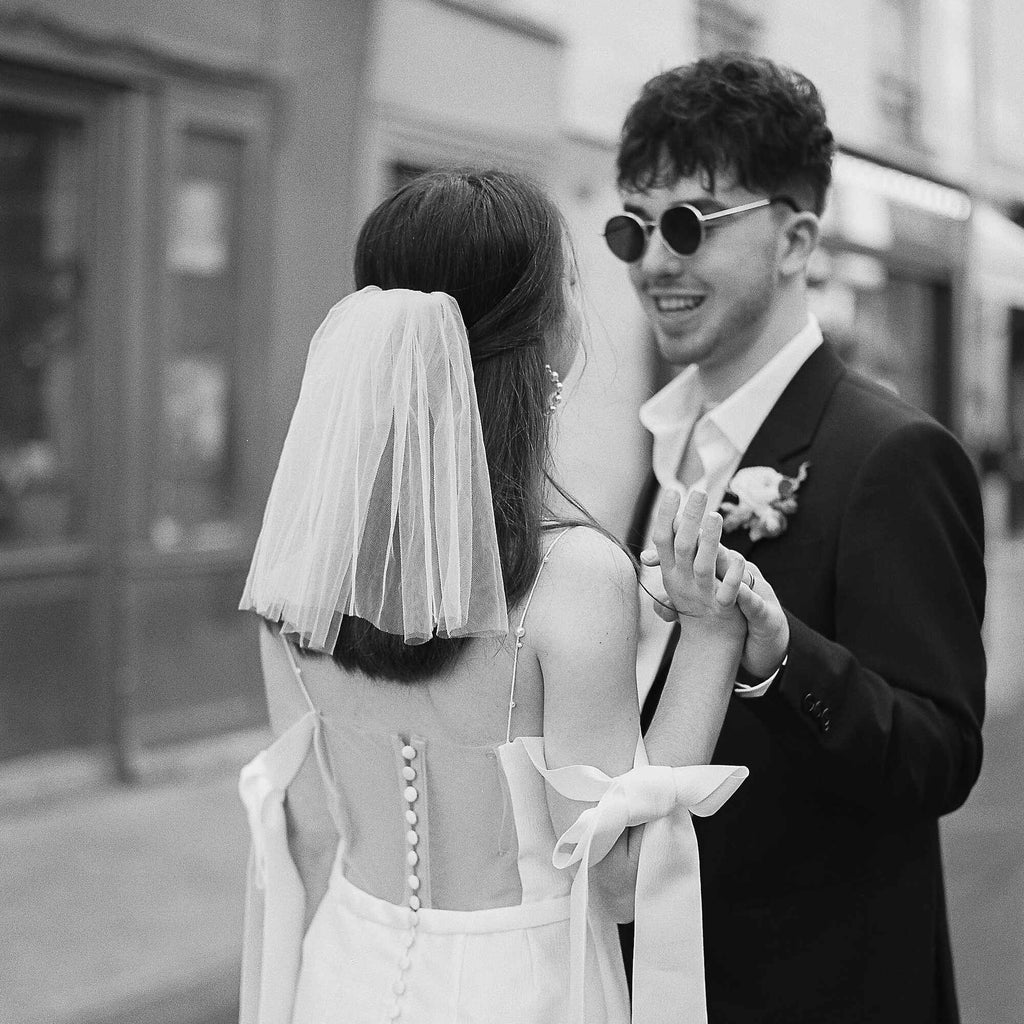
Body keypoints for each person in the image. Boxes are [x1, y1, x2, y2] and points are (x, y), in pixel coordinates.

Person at [236, 168, 764, 1024]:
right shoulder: (573, 578)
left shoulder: (296, 569)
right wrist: (709, 638)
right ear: (543, 340)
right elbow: (621, 878)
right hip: (524, 991)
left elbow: (311, 835)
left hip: (341, 973)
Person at [607, 54, 986, 1024]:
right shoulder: (654, 445)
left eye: (689, 222)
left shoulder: (890, 454)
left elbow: (937, 756)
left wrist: (780, 659)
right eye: (633, 226)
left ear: (793, 239)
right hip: (654, 975)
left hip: (813, 988)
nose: (655, 259)